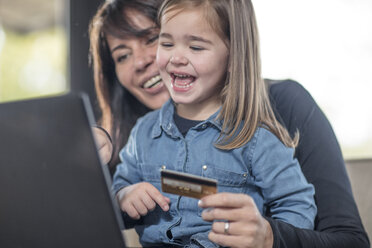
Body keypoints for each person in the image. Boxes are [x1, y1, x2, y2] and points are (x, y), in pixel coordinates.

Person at [89, 0, 370, 247]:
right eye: (122, 55)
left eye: (150, 39)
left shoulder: (262, 127)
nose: (141, 61)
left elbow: (323, 222)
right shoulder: (141, 134)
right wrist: (116, 188)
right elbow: (114, 193)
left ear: (232, 54)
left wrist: (269, 237)